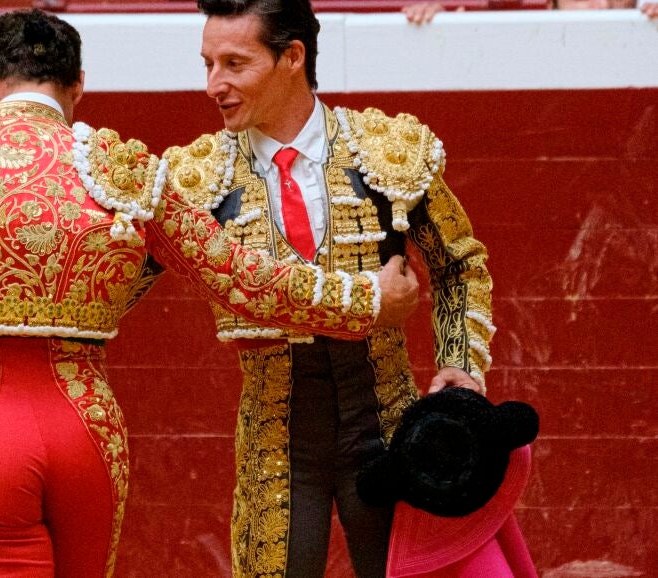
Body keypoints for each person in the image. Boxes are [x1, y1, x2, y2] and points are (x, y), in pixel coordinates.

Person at [0, 8, 420, 577]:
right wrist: (366, 298)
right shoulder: (120, 172)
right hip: (86, 428)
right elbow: (240, 276)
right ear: (78, 84)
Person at [161, 0, 496, 575]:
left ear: (292, 57)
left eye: (234, 64)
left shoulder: (387, 152)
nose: (214, 84)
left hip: (388, 426)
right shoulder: (197, 177)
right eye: (208, 64)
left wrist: (461, 365)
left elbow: (459, 265)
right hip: (276, 439)